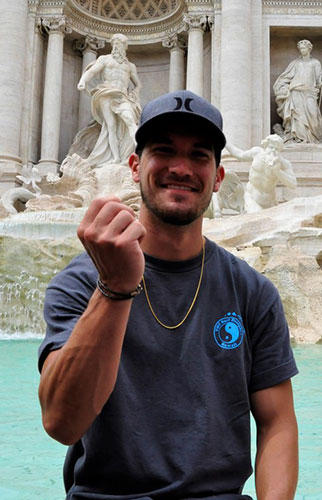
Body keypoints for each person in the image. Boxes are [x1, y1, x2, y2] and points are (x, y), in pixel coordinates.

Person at [38, 90, 299, 500]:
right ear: (134, 166)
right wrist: (114, 287)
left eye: (199, 155)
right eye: (164, 151)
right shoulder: (81, 281)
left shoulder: (252, 291)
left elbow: (277, 422)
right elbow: (61, 422)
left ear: (218, 177)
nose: (181, 168)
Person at [77, 33, 142, 166]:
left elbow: (138, 84)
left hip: (122, 96)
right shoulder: (105, 59)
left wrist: (135, 92)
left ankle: (139, 149)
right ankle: (116, 158)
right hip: (106, 93)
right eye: (117, 43)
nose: (119, 46)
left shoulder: (130, 66)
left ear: (125, 47)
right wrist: (83, 81)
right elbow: (91, 72)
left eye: (122, 44)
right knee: (110, 126)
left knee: (130, 120)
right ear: (113, 45)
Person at [273, 39, 322, 145]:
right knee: (297, 116)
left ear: (309, 48)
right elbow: (284, 78)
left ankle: (315, 139)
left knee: (313, 116)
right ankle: (297, 139)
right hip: (295, 92)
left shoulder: (315, 63)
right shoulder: (295, 63)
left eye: (304, 48)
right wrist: (282, 88)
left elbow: (321, 81)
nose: (302, 50)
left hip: (310, 93)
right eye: (300, 49)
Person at [226, 134, 297, 213]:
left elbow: (293, 184)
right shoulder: (257, 153)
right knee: (256, 217)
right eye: (271, 147)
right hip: (251, 197)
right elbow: (239, 154)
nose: (273, 150)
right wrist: (225, 142)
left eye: (276, 149)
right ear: (265, 147)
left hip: (270, 203)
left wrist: (278, 171)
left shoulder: (283, 163)